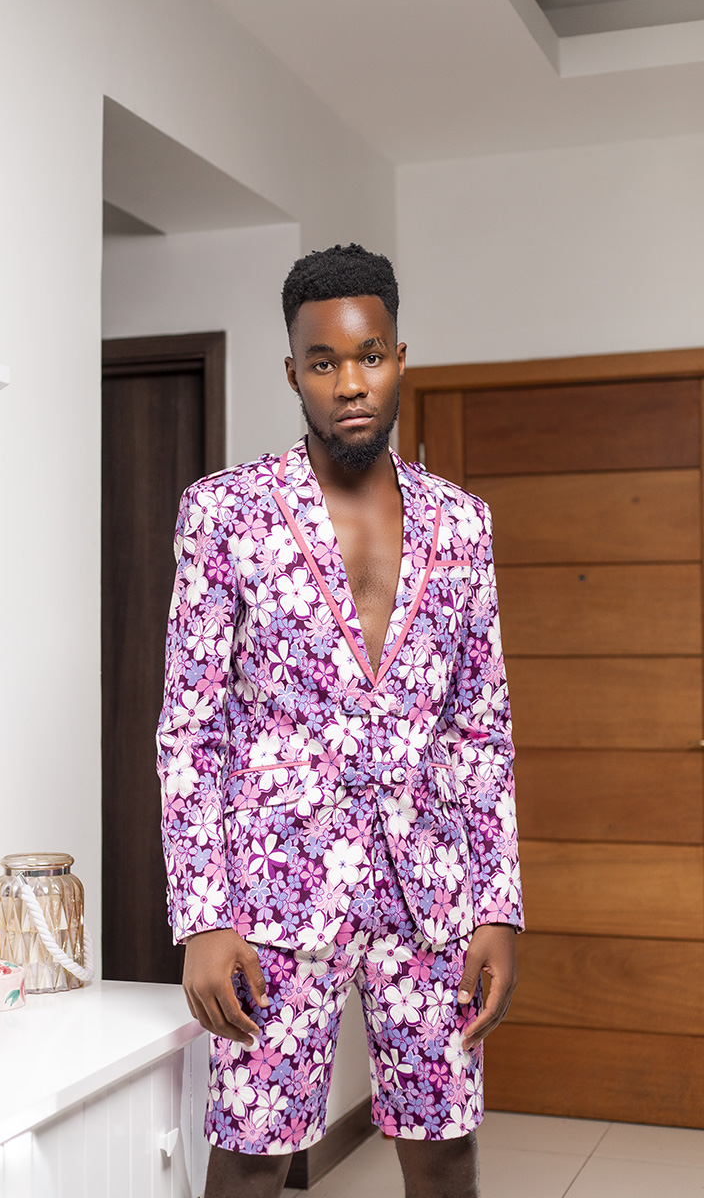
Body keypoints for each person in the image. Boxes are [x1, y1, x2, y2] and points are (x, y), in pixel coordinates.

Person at [157, 243, 523, 1198]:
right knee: (252, 1158)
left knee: (446, 1152)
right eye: (323, 362)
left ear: (400, 358)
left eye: (368, 356)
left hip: (431, 893)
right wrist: (203, 917)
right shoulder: (226, 513)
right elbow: (190, 729)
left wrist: (495, 906)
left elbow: (479, 728)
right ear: (293, 373)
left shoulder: (464, 524)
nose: (349, 383)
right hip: (274, 895)